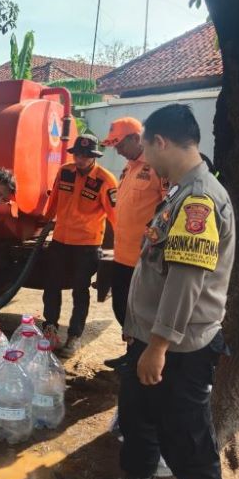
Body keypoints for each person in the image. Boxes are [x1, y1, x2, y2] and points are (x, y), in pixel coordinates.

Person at [92, 104, 235, 479]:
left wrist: (157, 346)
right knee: (138, 419)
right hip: (151, 337)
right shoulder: (178, 193)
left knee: (186, 433)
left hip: (178, 348)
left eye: (148, 151)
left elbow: (185, 283)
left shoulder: (198, 202)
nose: (146, 161)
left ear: (160, 141)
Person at [101, 118, 167, 369]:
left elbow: (168, 209)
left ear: (136, 138)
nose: (116, 149)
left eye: (119, 143)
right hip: (122, 256)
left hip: (144, 260)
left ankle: (142, 358)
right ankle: (132, 353)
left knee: (142, 314)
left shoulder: (157, 167)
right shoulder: (128, 169)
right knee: (123, 309)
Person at [42, 135, 117, 357]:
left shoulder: (106, 180)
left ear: (94, 156)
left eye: (86, 156)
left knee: (79, 292)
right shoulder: (65, 171)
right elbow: (53, 200)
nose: (80, 159)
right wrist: (44, 222)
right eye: (77, 154)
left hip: (87, 246)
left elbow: (116, 217)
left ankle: (74, 336)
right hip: (60, 241)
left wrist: (120, 248)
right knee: (51, 286)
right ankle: (50, 328)